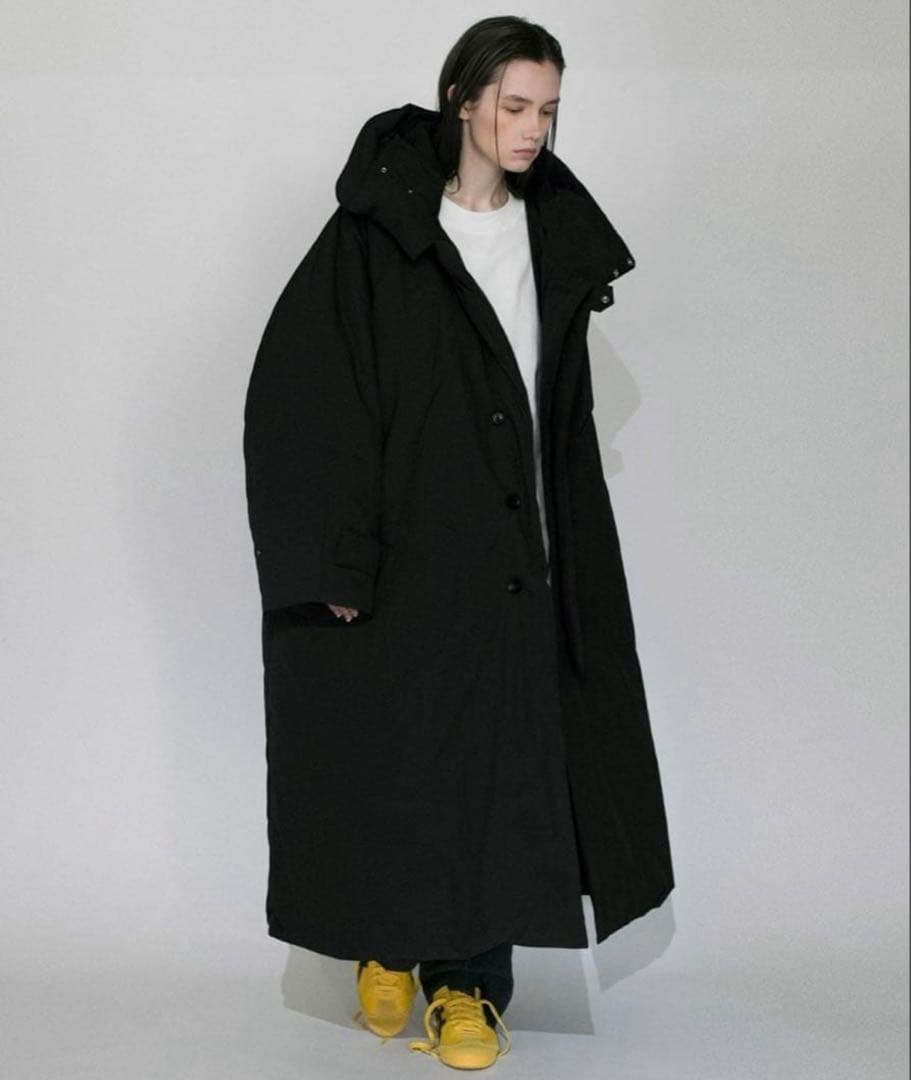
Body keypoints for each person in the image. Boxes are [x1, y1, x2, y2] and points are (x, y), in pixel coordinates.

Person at [243, 14, 675, 1073]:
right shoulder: (378, 232)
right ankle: (385, 945)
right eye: (514, 105)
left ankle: (468, 990)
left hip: (517, 550)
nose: (531, 129)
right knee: (398, 752)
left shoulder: (550, 230)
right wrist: (332, 559)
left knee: (501, 765)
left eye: (548, 110)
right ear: (462, 99)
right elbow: (304, 400)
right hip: (407, 542)